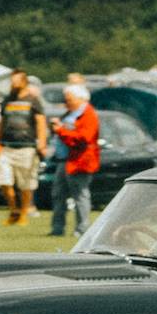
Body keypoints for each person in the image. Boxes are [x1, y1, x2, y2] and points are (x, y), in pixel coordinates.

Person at [0, 69, 47, 226]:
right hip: (7, 147)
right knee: (4, 180)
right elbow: (1, 123)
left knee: (25, 185)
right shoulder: (8, 100)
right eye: (12, 81)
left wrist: (42, 142)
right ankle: (13, 209)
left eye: (16, 81)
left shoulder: (33, 100)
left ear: (24, 82)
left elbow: (41, 122)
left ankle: (23, 212)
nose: (14, 84)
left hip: (27, 147)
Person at [49, 84, 99, 237]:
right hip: (63, 160)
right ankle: (57, 229)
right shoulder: (71, 113)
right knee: (58, 194)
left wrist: (60, 130)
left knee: (80, 196)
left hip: (79, 161)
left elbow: (84, 138)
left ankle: (82, 229)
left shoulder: (89, 115)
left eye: (69, 99)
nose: (66, 102)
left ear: (81, 99)